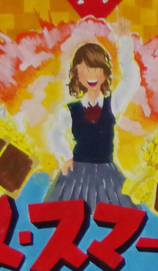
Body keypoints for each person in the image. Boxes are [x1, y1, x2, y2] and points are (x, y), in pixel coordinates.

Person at [47, 33, 140, 208]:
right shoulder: (69, 110)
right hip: (76, 174)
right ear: (77, 74)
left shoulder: (113, 104)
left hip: (107, 175)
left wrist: (124, 41)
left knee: (120, 213)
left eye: (96, 69)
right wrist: (66, 156)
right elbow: (55, 134)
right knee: (65, 214)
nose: (92, 75)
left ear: (104, 72)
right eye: (85, 69)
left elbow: (131, 78)